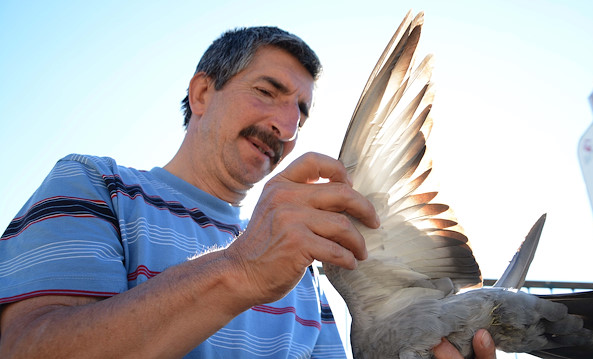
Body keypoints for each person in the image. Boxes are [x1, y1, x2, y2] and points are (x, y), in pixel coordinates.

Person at [0, 26, 496, 358]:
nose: (285, 125)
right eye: (267, 91)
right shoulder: (95, 184)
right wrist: (241, 270)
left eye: (301, 112)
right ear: (201, 94)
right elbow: (25, 348)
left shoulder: (301, 268)